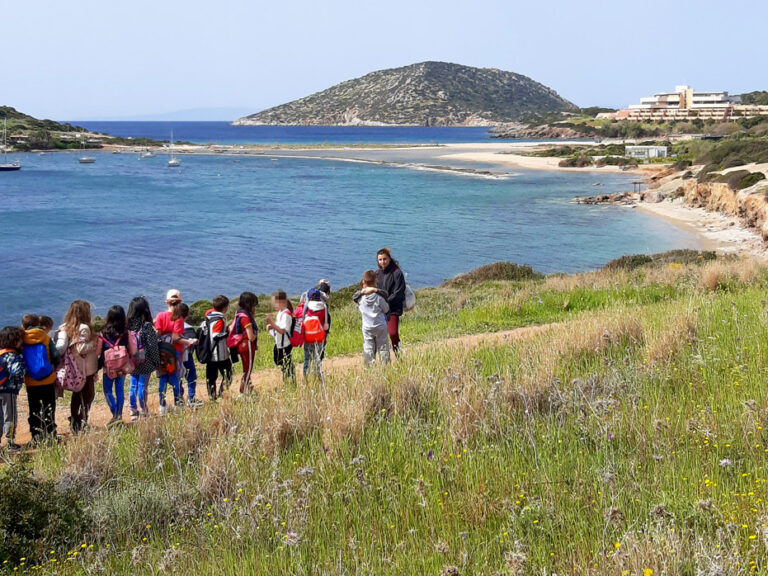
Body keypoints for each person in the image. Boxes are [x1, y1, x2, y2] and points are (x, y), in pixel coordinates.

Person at [56, 300, 100, 434]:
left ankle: (75, 420)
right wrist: (95, 341)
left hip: (74, 368)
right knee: (88, 397)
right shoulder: (84, 328)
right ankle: (81, 421)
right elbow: (81, 348)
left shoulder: (65, 326)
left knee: (77, 396)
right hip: (86, 369)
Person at [22, 313, 60, 443]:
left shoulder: (22, 339)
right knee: (49, 408)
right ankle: (51, 435)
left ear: (23, 326)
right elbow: (56, 357)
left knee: (34, 409)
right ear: (38, 324)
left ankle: (36, 436)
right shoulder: (46, 338)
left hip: (31, 381)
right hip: (48, 379)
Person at [154, 289, 192, 414]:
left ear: (167, 302)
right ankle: (177, 403)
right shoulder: (178, 318)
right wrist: (188, 342)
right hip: (175, 352)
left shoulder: (160, 316)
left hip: (162, 352)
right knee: (175, 378)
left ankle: (162, 405)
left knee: (163, 378)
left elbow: (158, 333)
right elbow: (176, 337)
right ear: (180, 302)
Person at [127, 296, 160, 421]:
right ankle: (144, 409)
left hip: (132, 360)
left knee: (133, 385)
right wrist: (157, 362)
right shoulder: (146, 326)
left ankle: (132, 410)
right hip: (146, 361)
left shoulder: (128, 326)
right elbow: (152, 346)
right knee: (142, 385)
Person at [98, 305, 132, 425]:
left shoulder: (103, 333)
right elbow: (131, 349)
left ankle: (115, 415)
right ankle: (119, 415)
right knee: (119, 390)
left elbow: (98, 352)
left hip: (109, 368)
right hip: (122, 366)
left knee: (107, 390)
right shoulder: (126, 332)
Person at [353, 270, 391, 366]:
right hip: (380, 325)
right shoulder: (379, 297)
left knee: (368, 347)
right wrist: (375, 290)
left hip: (367, 326)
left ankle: (369, 365)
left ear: (364, 282)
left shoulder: (360, 298)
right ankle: (385, 366)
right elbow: (386, 309)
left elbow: (354, 298)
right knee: (383, 346)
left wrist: (362, 291)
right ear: (376, 281)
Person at [0, 326, 27, 451]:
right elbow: (16, 371)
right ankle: (10, 442)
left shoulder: (1, 353)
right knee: (10, 417)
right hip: (8, 390)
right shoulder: (12, 356)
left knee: (0, 417)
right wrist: (24, 365)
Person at [375, 247, 406, 354]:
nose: (382, 262)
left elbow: (398, 293)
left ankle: (398, 353)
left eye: (385, 259)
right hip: (380, 309)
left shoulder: (397, 273)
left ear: (389, 259)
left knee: (393, 333)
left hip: (393, 308)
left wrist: (386, 302)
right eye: (380, 260)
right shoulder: (377, 273)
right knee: (380, 336)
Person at [203, 295, 232, 400]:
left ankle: (212, 397)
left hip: (209, 352)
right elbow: (215, 336)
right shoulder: (219, 319)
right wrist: (227, 332)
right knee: (228, 374)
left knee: (211, 377)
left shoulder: (209, 316)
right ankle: (221, 395)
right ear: (224, 308)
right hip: (219, 354)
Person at [232, 292, 258, 396]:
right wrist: (255, 335)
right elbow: (251, 336)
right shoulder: (246, 318)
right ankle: (242, 392)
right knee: (248, 369)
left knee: (246, 368)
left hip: (241, 345)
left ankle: (249, 389)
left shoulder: (238, 314)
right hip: (247, 345)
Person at [266, 290, 295, 384]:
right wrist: (271, 327)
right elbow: (279, 327)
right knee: (282, 363)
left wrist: (271, 323)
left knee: (286, 364)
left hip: (285, 344)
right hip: (280, 343)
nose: (273, 305)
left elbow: (282, 330)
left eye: (275, 302)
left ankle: (290, 382)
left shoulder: (286, 314)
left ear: (281, 302)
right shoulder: (280, 312)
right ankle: (288, 381)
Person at [302, 289, 329, 382]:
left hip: (308, 337)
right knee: (317, 359)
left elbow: (302, 320)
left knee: (307, 358)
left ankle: (306, 379)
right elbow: (326, 326)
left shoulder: (307, 306)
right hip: (319, 338)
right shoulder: (324, 307)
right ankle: (319, 378)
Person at [178, 303, 200, 406]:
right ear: (188, 314)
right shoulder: (189, 328)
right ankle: (191, 398)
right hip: (187, 355)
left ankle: (179, 398)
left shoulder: (172, 326)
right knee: (191, 376)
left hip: (175, 356)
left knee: (178, 377)